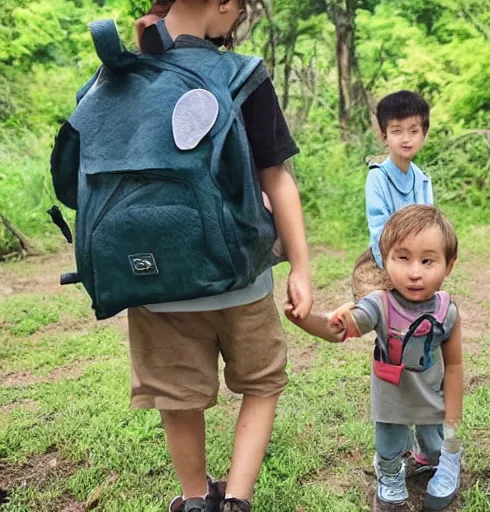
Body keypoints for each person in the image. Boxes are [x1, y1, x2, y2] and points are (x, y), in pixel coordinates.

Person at [129, 2, 312, 510]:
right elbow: (277, 177)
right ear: (226, 4)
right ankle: (236, 500)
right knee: (262, 383)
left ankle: (193, 500)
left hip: (154, 281)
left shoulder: (121, 72)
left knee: (177, 397)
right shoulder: (242, 75)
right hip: (241, 278)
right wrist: (300, 265)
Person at [290, 205, 464, 510]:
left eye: (427, 261)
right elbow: (339, 330)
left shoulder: (447, 311)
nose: (414, 272)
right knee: (390, 445)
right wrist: (307, 320)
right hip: (392, 399)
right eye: (402, 258)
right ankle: (389, 475)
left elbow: (455, 366)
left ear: (449, 265)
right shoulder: (379, 304)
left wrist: (452, 420)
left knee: (438, 448)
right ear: (384, 260)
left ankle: (428, 455)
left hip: (431, 398)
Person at [351, 90, 434, 302]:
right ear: (384, 134)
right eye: (397, 131)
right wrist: (395, 269)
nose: (406, 139)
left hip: (418, 263)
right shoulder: (378, 177)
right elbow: (379, 230)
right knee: (384, 317)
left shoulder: (422, 179)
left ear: (425, 133)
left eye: (414, 131)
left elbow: (431, 228)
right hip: (386, 263)